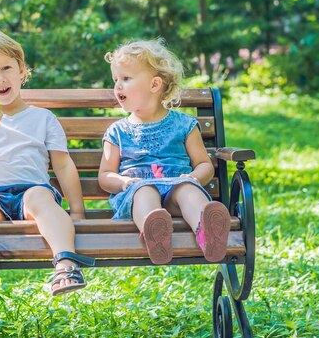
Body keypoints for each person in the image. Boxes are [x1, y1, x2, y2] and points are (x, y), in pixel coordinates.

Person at [0, 27, 94, 296]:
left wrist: (77, 210)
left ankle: (66, 264)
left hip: (33, 196)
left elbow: (63, 165)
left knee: (40, 195)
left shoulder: (43, 118)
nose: (0, 79)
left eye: (6, 68)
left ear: (22, 70)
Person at [98, 39, 231, 264]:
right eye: (116, 80)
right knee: (145, 192)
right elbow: (105, 176)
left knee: (187, 190)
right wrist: (123, 182)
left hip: (175, 188)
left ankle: (208, 232)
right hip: (136, 193)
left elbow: (204, 164)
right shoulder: (117, 131)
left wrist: (193, 177)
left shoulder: (184, 125)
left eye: (126, 79)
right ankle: (156, 233)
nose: (118, 86)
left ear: (154, 84)